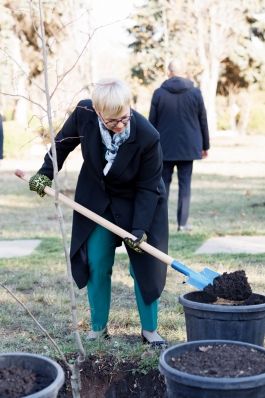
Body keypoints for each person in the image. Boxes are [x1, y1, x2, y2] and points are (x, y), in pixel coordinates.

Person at [29, 78, 168, 346]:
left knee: (145, 266)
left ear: (130, 106)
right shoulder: (84, 114)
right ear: (97, 111)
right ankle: (98, 328)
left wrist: (139, 229)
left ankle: (150, 329)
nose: (119, 126)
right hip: (97, 201)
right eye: (111, 121)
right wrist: (44, 175)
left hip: (139, 203)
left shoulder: (148, 136)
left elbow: (149, 187)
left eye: (124, 118)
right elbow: (61, 145)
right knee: (96, 262)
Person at [149, 60, 210, 231]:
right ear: (183, 72)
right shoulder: (195, 93)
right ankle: (182, 223)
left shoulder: (158, 94)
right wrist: (205, 145)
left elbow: (151, 123)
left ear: (168, 72)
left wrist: (149, 148)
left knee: (162, 186)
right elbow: (203, 120)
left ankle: (161, 223)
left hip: (164, 148)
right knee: (185, 185)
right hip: (188, 148)